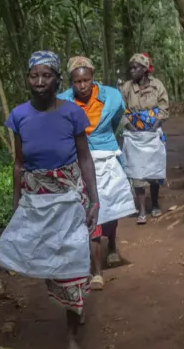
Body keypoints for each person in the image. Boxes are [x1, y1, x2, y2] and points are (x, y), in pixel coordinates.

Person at [0, 51, 99, 349]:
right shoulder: (19, 116)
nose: (39, 82)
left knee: (70, 266)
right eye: (34, 76)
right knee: (36, 258)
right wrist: (16, 204)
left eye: (46, 76)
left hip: (69, 198)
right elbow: (18, 164)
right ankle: (74, 307)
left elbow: (84, 158)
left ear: (57, 80)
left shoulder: (71, 113)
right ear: (28, 79)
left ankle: (70, 337)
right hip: (36, 200)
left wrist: (94, 198)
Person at [58, 56, 135, 290]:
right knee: (90, 207)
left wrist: (101, 140)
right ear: (71, 82)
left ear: (93, 77)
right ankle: (96, 270)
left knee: (110, 205)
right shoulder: (62, 101)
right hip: (79, 159)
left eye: (86, 80)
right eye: (77, 81)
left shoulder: (111, 96)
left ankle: (112, 242)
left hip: (106, 155)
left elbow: (115, 120)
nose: (82, 85)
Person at [120, 53, 170, 224]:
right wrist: (131, 127)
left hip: (153, 133)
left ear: (144, 69)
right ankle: (141, 208)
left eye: (136, 68)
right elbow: (121, 110)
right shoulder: (126, 87)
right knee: (136, 172)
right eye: (131, 68)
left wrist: (154, 127)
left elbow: (164, 107)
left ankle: (155, 203)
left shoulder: (157, 86)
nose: (132, 71)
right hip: (134, 135)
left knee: (154, 171)